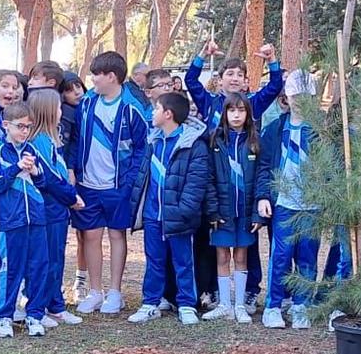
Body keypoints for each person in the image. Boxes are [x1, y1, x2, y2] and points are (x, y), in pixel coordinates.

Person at [71, 51, 149, 316]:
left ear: (111, 77)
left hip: (117, 187)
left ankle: (115, 291)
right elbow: (75, 140)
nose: (92, 80)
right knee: (90, 236)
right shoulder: (87, 104)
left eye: (96, 75)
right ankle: (95, 290)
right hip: (87, 184)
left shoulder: (131, 107)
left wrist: (127, 183)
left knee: (117, 235)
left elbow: (141, 148)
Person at [0, 101, 72, 336]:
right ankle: (5, 316)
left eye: (28, 127)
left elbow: (44, 182)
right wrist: (15, 168)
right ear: (6, 125)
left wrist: (36, 173)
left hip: (36, 218)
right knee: (11, 268)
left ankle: (35, 314)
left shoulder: (31, 149)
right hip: (11, 220)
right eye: (20, 126)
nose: (24, 132)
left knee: (39, 267)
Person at [128, 92, 212, 325]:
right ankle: (150, 303)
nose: (152, 113)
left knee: (183, 261)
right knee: (154, 260)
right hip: (153, 214)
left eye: (156, 108)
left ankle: (186, 304)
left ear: (168, 114)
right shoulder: (152, 140)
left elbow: (196, 183)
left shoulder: (193, 144)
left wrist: (183, 211)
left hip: (179, 216)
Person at [256, 70, 322, 330]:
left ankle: (301, 304)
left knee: (307, 255)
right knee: (281, 255)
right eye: (295, 94)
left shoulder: (321, 130)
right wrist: (263, 195)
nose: (300, 99)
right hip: (283, 203)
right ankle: (273, 305)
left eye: (306, 95)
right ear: (287, 96)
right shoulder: (275, 129)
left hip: (312, 204)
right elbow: (264, 166)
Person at [24, 88, 80, 327]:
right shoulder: (37, 142)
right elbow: (49, 179)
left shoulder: (51, 139)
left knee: (56, 258)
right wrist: (72, 196)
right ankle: (38, 307)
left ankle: (55, 304)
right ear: (47, 112)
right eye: (57, 108)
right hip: (46, 209)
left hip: (57, 210)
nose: (61, 112)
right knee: (44, 260)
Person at [203, 94, 258, 322]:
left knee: (242, 256)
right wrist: (213, 210)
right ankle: (224, 304)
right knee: (222, 256)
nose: (236, 115)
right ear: (224, 113)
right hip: (222, 213)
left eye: (241, 110)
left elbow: (261, 177)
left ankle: (240, 306)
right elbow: (208, 178)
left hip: (244, 213)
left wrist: (256, 212)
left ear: (248, 114)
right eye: (231, 110)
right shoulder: (215, 140)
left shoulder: (255, 141)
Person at [185, 40, 285, 128]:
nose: (235, 79)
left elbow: (275, 86)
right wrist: (202, 56)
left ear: (244, 81)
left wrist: (271, 61)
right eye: (230, 74)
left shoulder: (252, 102)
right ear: (220, 80)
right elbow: (190, 80)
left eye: (240, 75)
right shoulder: (210, 102)